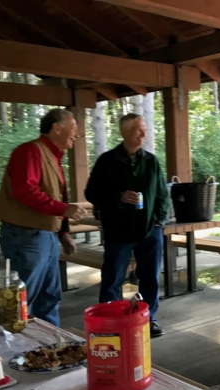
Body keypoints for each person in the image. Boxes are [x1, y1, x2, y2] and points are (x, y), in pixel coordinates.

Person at [0, 109, 87, 327]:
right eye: (73, 128)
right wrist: (63, 209)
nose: (77, 134)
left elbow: (52, 194)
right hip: (25, 236)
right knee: (21, 301)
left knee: (49, 297)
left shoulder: (52, 156)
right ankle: (14, 342)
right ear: (57, 128)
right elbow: (25, 190)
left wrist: (63, 234)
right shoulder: (30, 151)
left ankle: (49, 341)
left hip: (45, 236)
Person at [85, 113, 169, 337]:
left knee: (150, 278)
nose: (143, 134)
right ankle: (109, 322)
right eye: (138, 130)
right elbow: (92, 193)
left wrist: (158, 221)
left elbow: (162, 194)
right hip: (118, 232)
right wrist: (119, 197)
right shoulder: (107, 161)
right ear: (124, 132)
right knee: (112, 279)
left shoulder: (151, 161)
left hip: (149, 231)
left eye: (144, 129)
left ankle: (148, 319)